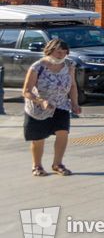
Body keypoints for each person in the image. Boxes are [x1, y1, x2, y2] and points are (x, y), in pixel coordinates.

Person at [21, 38, 82, 176]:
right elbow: (26, 91)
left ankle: (57, 163)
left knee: (63, 132)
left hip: (61, 104)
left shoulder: (69, 64)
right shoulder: (37, 66)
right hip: (38, 108)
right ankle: (37, 166)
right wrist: (41, 101)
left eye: (64, 52)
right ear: (49, 51)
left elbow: (72, 85)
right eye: (58, 52)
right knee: (38, 138)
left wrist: (74, 103)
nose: (61, 55)